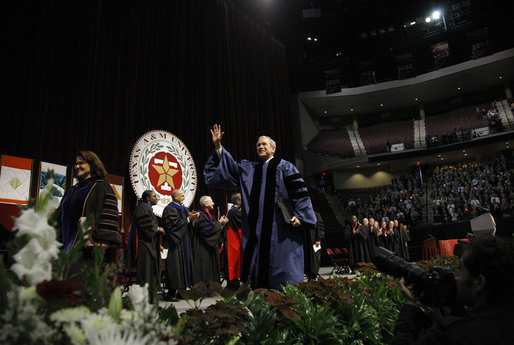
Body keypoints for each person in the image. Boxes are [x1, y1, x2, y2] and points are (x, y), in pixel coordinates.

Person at [203, 124, 316, 289]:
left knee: (284, 271)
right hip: (257, 232)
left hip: (281, 230)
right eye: (258, 145)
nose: (261, 147)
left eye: (264, 144)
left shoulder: (285, 167)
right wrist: (218, 147)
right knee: (259, 275)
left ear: (273, 148)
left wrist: (301, 216)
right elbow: (230, 168)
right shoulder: (249, 170)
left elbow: (300, 193)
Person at [392, 236, 514, 345]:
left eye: (461, 270)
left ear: (479, 282)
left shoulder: (454, 334)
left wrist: (410, 306)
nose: (456, 277)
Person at [54, 150, 121, 275]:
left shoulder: (101, 187)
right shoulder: (72, 190)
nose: (77, 166)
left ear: (92, 164)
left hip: (88, 248)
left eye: (81, 163)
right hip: (65, 246)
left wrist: (103, 239)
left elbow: (109, 214)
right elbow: (60, 214)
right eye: (76, 164)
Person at [161, 189, 199, 300]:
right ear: (175, 197)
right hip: (176, 243)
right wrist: (188, 219)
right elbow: (174, 225)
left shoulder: (184, 208)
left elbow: (188, 224)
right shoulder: (170, 209)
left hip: (185, 241)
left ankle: (181, 292)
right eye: (182, 195)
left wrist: (193, 218)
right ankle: (171, 293)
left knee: (184, 267)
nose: (184, 197)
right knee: (175, 268)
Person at [128, 190, 164, 297]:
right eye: (154, 196)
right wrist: (157, 228)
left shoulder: (146, 208)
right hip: (144, 245)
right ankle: (144, 296)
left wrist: (158, 245)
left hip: (149, 244)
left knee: (149, 270)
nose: (157, 198)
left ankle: (149, 295)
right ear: (148, 198)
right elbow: (145, 225)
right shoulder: (143, 208)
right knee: (146, 271)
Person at [191, 195, 228, 285]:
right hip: (202, 246)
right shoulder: (200, 215)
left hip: (209, 247)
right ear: (206, 204)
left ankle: (210, 287)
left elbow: (214, 230)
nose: (213, 203)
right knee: (203, 267)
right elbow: (206, 231)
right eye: (211, 201)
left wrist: (221, 225)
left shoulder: (210, 216)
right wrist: (219, 223)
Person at [224, 192, 243, 290]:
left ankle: (233, 283)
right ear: (237, 201)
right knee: (233, 261)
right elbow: (241, 223)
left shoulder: (232, 210)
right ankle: (233, 284)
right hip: (233, 238)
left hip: (231, 237)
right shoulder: (235, 211)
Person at [304, 211, 325, 280]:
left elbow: (320, 227)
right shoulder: (303, 214)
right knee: (307, 257)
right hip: (306, 241)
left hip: (315, 241)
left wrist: (318, 239)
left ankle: (313, 274)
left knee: (315, 258)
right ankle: (308, 274)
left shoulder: (316, 215)